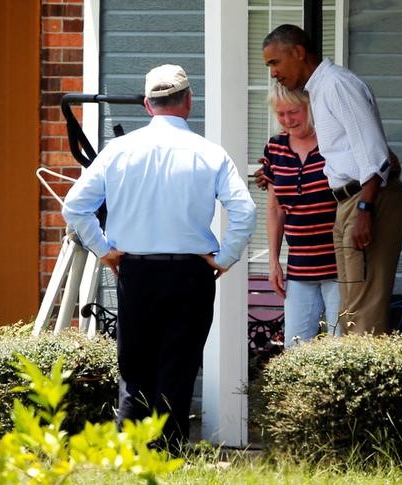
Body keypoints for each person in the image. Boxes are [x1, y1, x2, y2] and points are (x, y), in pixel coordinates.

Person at [62, 64, 257, 450]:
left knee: (134, 373)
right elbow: (245, 210)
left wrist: (105, 251)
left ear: (148, 105)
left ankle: (130, 462)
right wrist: (226, 256)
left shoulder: (117, 151)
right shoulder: (209, 152)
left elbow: (75, 207)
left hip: (135, 270)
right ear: (188, 101)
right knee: (178, 370)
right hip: (191, 273)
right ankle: (168, 459)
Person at [262, 24, 402, 335]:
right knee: (350, 310)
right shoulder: (320, 89)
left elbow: (375, 157)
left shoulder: (336, 85)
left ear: (298, 52)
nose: (273, 73)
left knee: (362, 310)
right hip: (350, 199)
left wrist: (365, 211)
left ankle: (363, 383)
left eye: (275, 62)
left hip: (366, 197)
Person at [262, 83, 340, 346]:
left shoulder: (332, 144)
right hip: (299, 268)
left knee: (339, 345)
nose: (287, 120)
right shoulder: (275, 148)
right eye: (280, 114)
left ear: (310, 107)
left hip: (339, 265)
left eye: (293, 112)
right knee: (295, 349)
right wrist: (274, 261)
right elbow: (275, 209)